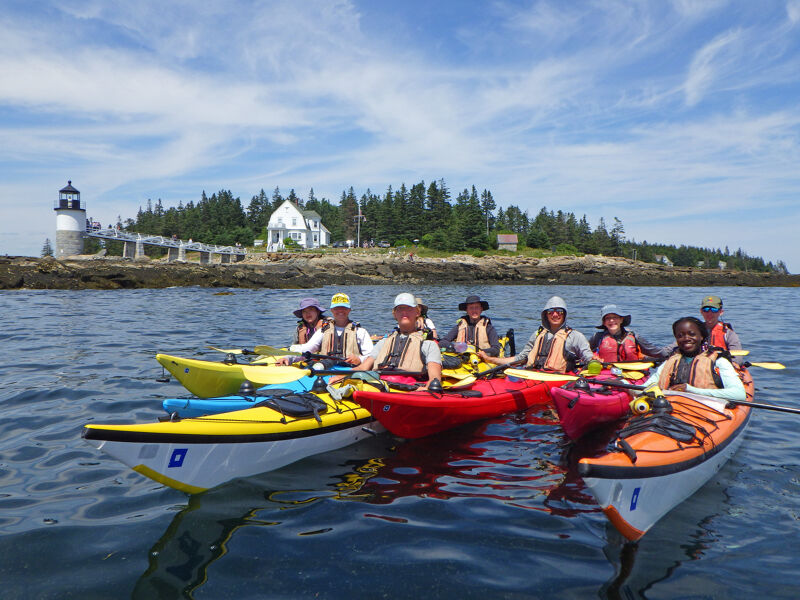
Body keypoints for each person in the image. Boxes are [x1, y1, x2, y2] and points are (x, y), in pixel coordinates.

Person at [343, 292, 442, 387]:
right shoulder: (384, 342)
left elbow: (434, 379)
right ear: (395, 314)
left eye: (409, 309)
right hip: (381, 385)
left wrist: (426, 389)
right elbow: (363, 367)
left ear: (417, 312)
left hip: (410, 388)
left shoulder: (428, 345)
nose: (404, 312)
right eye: (400, 309)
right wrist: (342, 376)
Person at [639, 316, 745, 401]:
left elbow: (739, 394)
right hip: (672, 409)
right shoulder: (670, 361)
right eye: (680, 335)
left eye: (692, 334)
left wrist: (691, 390)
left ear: (701, 336)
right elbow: (643, 389)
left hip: (707, 412)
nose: (686, 339)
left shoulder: (718, 361)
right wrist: (623, 381)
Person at [479, 296, 593, 372]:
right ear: (546, 315)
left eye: (559, 311)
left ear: (564, 314)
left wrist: (594, 363)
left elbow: (588, 358)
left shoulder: (575, 336)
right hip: (533, 375)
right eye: (550, 312)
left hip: (558, 379)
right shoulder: (537, 335)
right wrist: (490, 359)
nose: (555, 315)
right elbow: (520, 358)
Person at [279, 293, 373, 366]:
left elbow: (371, 356)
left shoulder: (360, 332)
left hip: (351, 370)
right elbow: (307, 349)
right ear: (332, 310)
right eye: (336, 308)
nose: (340, 311)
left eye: (344, 308)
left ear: (349, 310)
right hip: (326, 368)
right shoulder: (323, 331)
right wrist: (288, 358)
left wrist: (360, 359)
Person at [589, 304, 670, 363]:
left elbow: (655, 352)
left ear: (621, 320)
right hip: (606, 373)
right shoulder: (597, 337)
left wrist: (668, 355)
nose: (611, 321)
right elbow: (584, 353)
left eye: (615, 317)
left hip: (631, 374)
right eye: (608, 318)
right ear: (603, 322)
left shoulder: (635, 337)